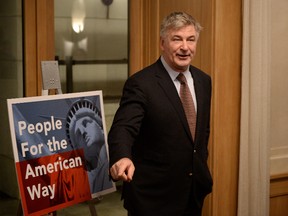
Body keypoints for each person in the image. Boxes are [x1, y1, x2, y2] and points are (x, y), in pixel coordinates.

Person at [108, 11, 212, 216]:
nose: (185, 47)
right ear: (163, 43)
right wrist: (122, 157)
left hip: (193, 194)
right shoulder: (141, 83)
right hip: (152, 199)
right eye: (177, 39)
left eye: (191, 40)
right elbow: (123, 127)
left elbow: (201, 133)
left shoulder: (203, 81)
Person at [66, 98, 113, 194]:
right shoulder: (88, 183)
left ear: (101, 128)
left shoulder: (122, 157)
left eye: (86, 123)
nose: (82, 132)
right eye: (78, 134)